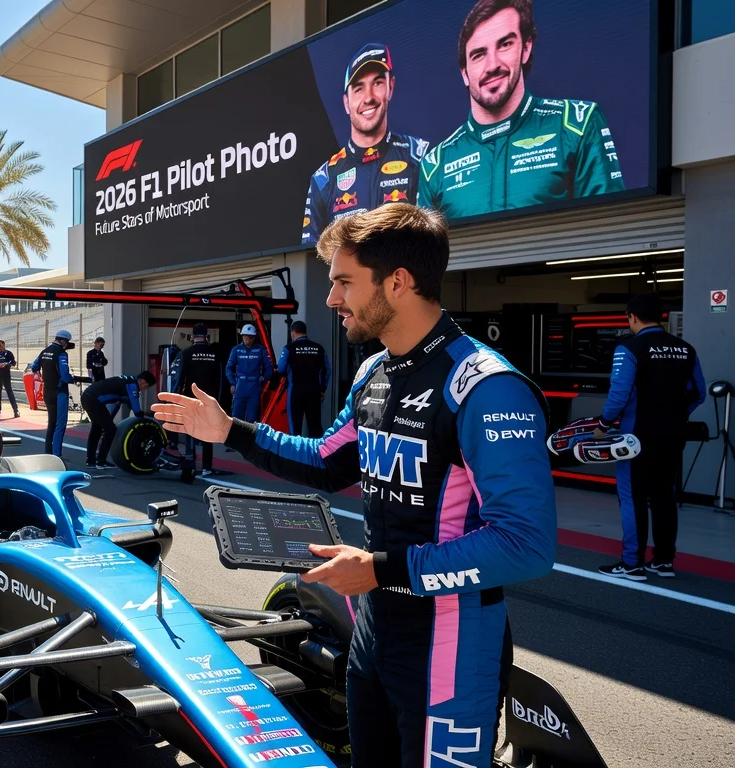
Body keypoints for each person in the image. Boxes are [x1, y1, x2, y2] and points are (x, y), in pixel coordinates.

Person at [152, 203, 556, 767]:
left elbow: (526, 544)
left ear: (398, 282)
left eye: (343, 281)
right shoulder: (373, 373)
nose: (330, 298)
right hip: (372, 633)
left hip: (451, 646)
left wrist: (380, 568)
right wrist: (231, 430)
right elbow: (325, 461)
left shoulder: (486, 387)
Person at [419, 0, 624, 219]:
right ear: (464, 73)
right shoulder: (435, 164)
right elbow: (425, 253)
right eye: (478, 55)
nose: (492, 65)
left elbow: (611, 227)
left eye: (505, 44)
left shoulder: (577, 125)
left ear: (525, 48)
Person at [594, 294, 705, 581]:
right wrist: (675, 415)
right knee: (664, 496)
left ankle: (632, 564)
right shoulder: (686, 348)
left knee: (632, 497)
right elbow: (699, 393)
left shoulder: (629, 348)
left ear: (631, 317)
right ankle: (664, 561)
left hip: (636, 436)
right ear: (663, 317)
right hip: (673, 433)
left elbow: (619, 395)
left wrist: (604, 426)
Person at [303, 43, 429, 244]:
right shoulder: (323, 179)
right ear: (346, 102)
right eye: (358, 88)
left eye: (377, 83)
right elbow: (310, 257)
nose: (368, 97)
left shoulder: (421, 156)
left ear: (391, 87)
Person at [83, 371, 154, 469]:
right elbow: (136, 409)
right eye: (146, 386)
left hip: (87, 396)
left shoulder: (128, 379)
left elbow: (126, 400)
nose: (145, 388)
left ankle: (90, 461)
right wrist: (142, 417)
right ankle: (101, 461)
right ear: (142, 381)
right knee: (110, 429)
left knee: (97, 428)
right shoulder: (132, 385)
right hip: (94, 400)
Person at [178, 324, 222, 476]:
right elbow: (220, 378)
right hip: (209, 399)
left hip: (191, 398)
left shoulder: (187, 352)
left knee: (190, 430)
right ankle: (206, 467)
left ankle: (191, 463)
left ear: (193, 335)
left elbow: (181, 377)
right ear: (206, 335)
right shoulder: (214, 353)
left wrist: (178, 396)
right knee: (207, 432)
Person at [277, 320, 331, 438]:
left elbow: (280, 369)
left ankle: (295, 455)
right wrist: (322, 389)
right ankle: (317, 454)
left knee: (295, 427)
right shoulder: (319, 348)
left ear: (293, 332)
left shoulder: (289, 348)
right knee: (315, 426)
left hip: (295, 392)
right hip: (314, 392)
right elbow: (327, 370)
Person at [29, 329, 74, 457]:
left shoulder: (44, 352)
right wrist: (72, 379)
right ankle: (57, 455)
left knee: (51, 423)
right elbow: (65, 376)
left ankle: (47, 453)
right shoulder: (61, 353)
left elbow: (34, 367)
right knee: (60, 424)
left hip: (47, 391)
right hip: (60, 392)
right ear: (64, 341)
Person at [225, 324, 272, 422]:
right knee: (236, 418)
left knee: (252, 418)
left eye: (250, 336)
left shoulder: (261, 350)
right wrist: (233, 383)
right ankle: (237, 437)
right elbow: (229, 368)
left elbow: (269, 368)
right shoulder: (236, 350)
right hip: (240, 385)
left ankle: (251, 437)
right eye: (245, 335)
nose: (247, 338)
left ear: (254, 337)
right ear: (242, 336)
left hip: (255, 386)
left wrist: (263, 379)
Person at [0, 339, 21, 418]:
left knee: (9, 391)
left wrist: (6, 364)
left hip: (6, 374)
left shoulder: (8, 353)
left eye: (0, 345)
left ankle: (15, 410)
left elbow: (13, 362)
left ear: (4, 345)